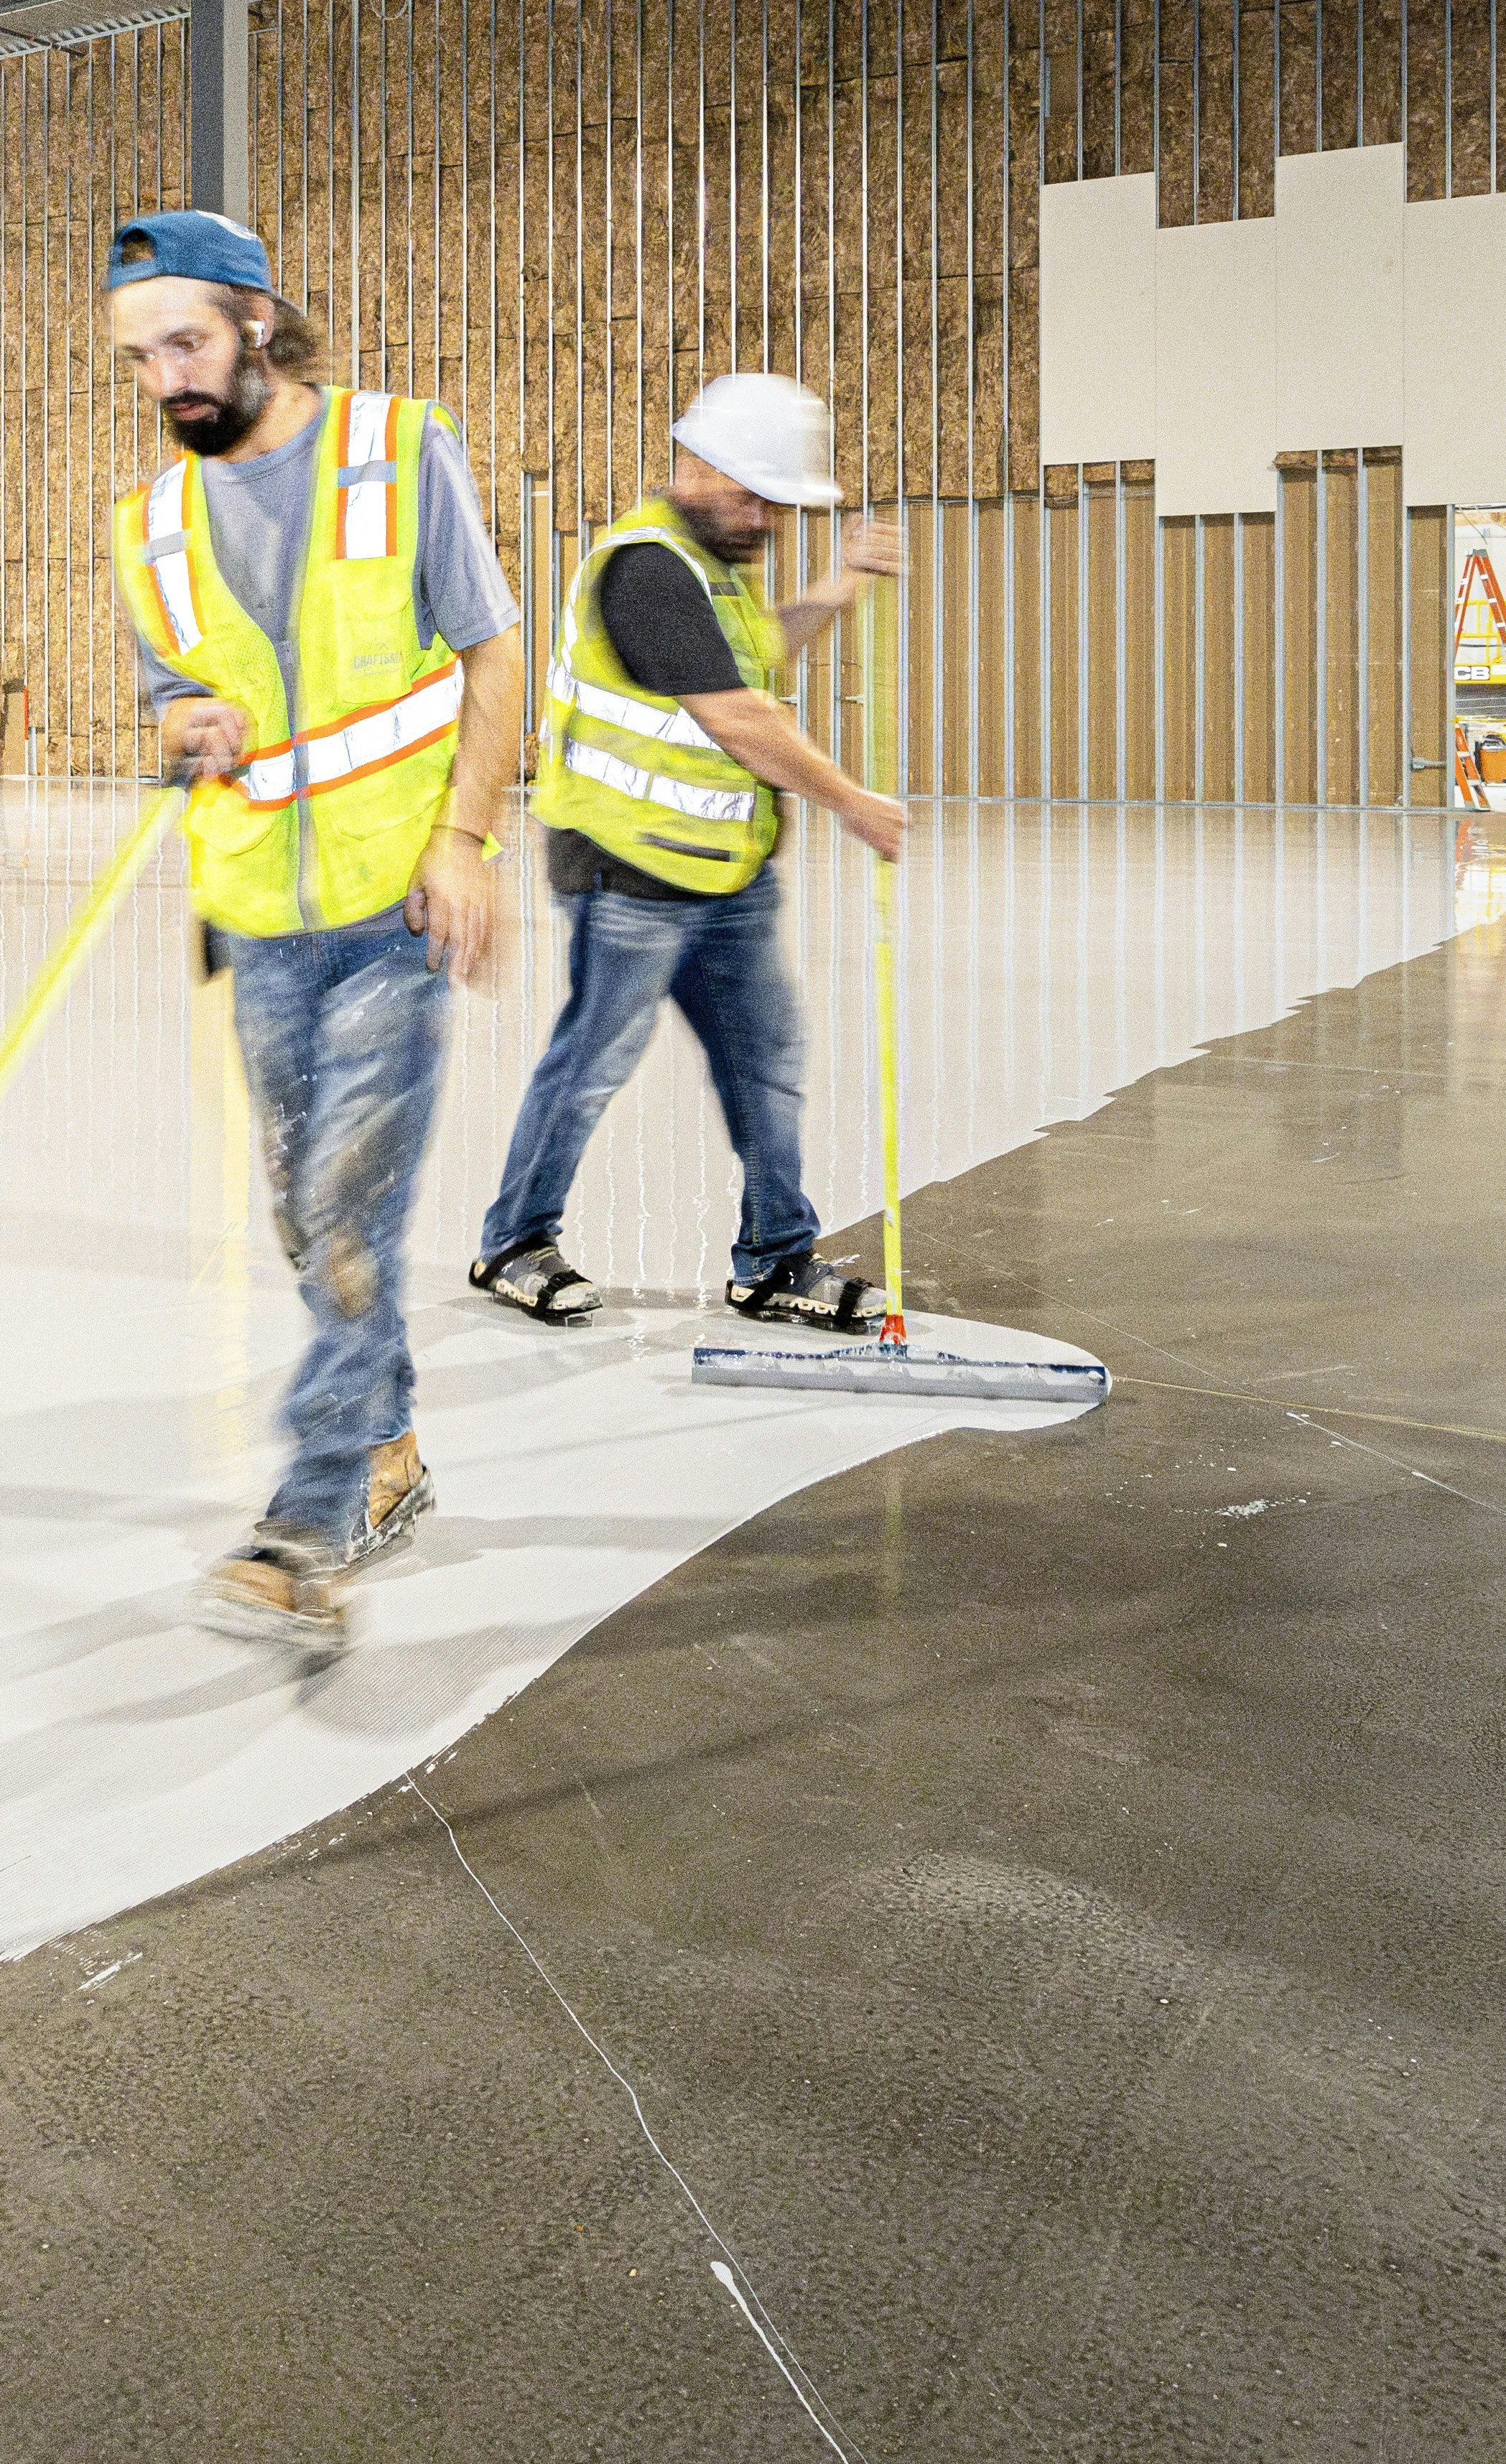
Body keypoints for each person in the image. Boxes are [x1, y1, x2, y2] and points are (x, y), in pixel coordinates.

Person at [99, 209, 524, 1658]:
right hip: (254, 921)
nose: (167, 378)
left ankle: (312, 1513)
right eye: (141, 356)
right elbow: (169, 683)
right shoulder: (150, 518)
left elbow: (489, 646)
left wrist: (464, 840)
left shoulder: (399, 450)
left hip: (390, 903)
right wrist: (178, 719)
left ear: (257, 322)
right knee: (303, 1212)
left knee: (348, 1209)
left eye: (187, 342)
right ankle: (389, 1442)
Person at [463, 372, 909, 1336]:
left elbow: (755, 659)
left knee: (766, 1060)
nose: (764, 518)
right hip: (628, 869)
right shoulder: (648, 567)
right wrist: (850, 801)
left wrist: (833, 590)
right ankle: (513, 1242)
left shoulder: (720, 566)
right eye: (749, 494)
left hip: (723, 870)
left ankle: (777, 1259)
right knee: (592, 1061)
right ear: (693, 467)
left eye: (777, 502)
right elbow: (738, 717)